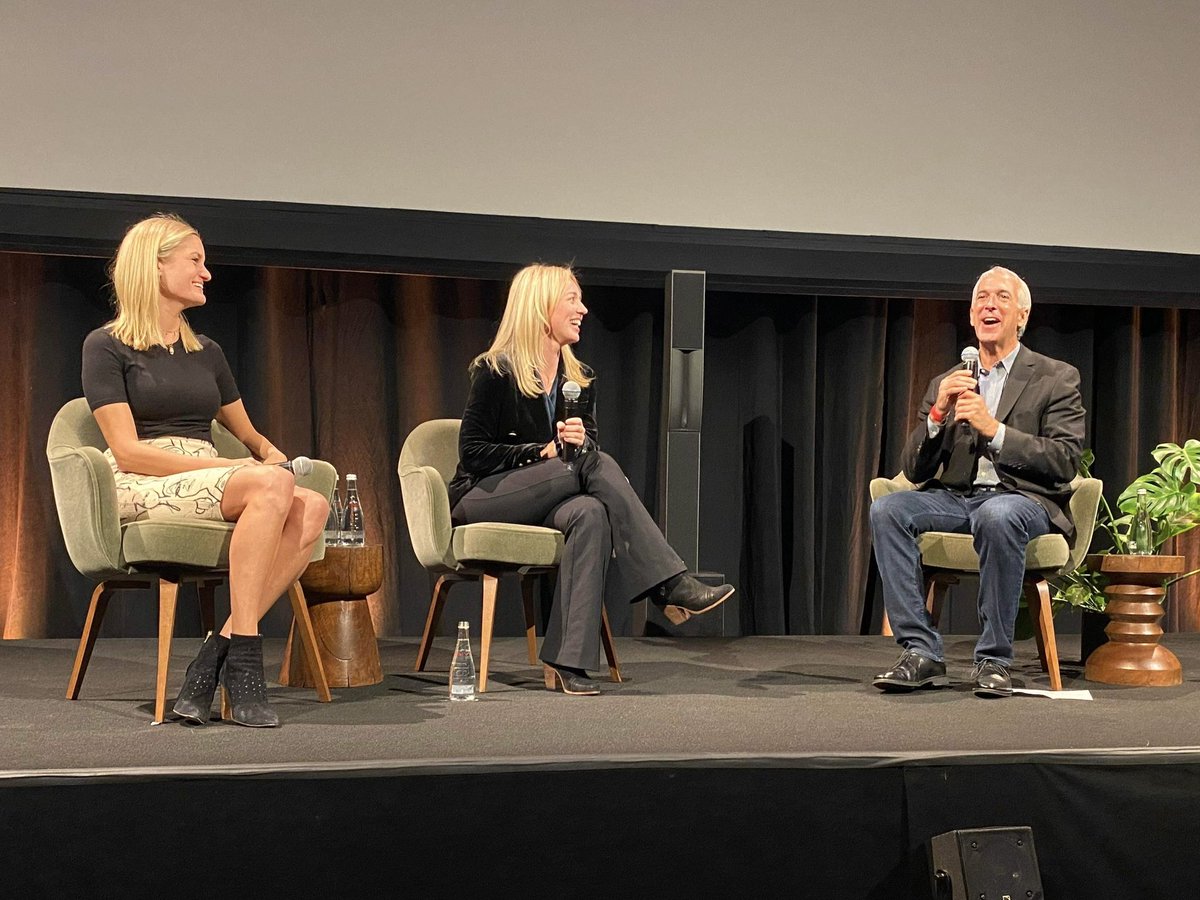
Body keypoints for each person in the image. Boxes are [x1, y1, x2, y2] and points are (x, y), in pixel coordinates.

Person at [81, 213, 329, 727]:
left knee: (314, 505)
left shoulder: (207, 352)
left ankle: (215, 655)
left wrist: (275, 462)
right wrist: (237, 467)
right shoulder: (105, 346)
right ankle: (246, 663)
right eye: (195, 260)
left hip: (213, 474)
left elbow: (252, 437)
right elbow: (127, 452)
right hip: (143, 479)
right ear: (154, 266)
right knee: (266, 485)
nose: (206, 272)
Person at [448, 264, 734, 695]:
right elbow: (472, 452)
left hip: (551, 496)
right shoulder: (496, 371)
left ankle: (567, 662)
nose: (583, 309)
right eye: (572, 299)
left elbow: (588, 453)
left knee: (591, 511)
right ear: (541, 306)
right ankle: (668, 583)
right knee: (590, 466)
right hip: (484, 497)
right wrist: (540, 451)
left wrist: (580, 443)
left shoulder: (578, 381)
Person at [870, 266, 1085, 697]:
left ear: (1022, 315)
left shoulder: (1055, 377)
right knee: (888, 509)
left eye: (1002, 298)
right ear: (971, 316)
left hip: (1022, 500)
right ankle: (920, 651)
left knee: (998, 513)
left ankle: (993, 660)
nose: (990, 305)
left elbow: (1065, 460)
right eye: (982, 298)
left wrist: (996, 430)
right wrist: (936, 416)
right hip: (956, 499)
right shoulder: (948, 382)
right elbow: (914, 470)